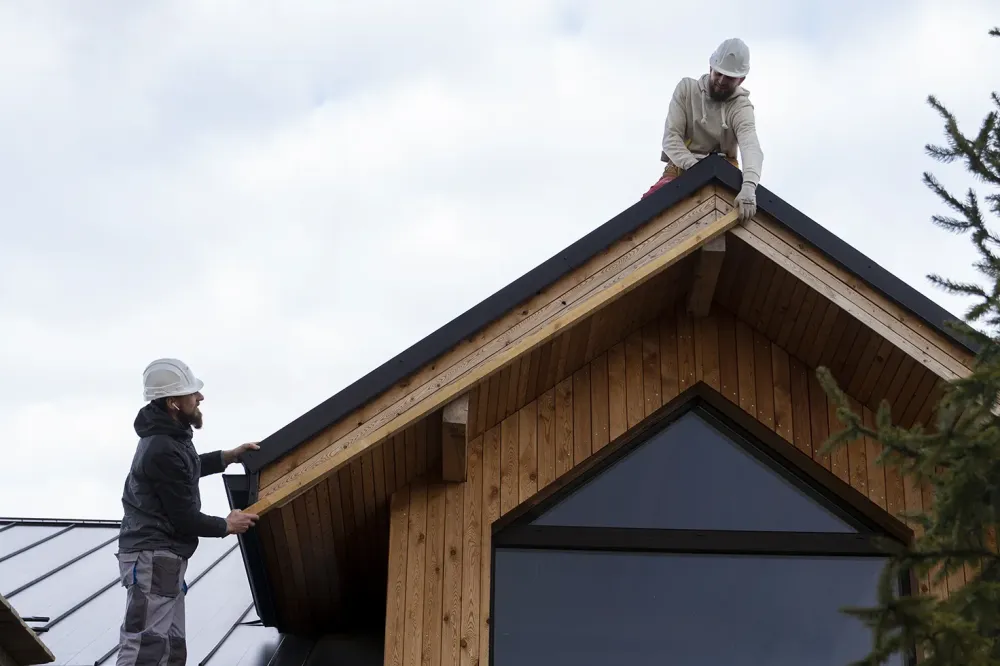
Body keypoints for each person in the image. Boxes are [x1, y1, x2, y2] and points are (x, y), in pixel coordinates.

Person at [115, 357, 260, 666]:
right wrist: (226, 524)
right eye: (193, 393)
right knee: (147, 644)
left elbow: (187, 469)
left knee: (170, 647)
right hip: (153, 555)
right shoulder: (162, 447)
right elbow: (183, 517)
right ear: (174, 403)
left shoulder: (169, 437)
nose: (200, 398)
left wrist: (227, 457)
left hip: (162, 557)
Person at [642, 37, 763, 222]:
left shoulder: (741, 107)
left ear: (741, 80)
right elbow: (671, 138)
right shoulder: (687, 90)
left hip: (723, 171)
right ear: (710, 68)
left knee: (741, 217)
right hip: (681, 167)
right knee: (647, 211)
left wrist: (748, 187)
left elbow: (750, 146)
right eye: (719, 74)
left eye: (729, 77)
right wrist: (697, 170)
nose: (722, 81)